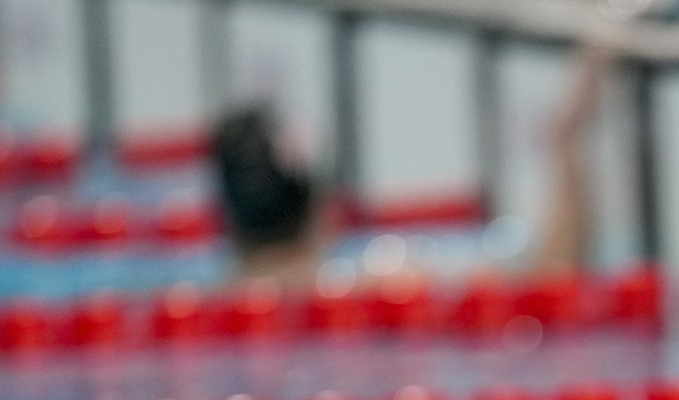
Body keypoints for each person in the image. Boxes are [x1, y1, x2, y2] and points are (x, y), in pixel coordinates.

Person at [211, 38, 615, 286]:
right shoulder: (374, 291)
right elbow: (554, 278)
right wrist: (566, 139)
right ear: (324, 210)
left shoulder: (195, 305)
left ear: (223, 214)